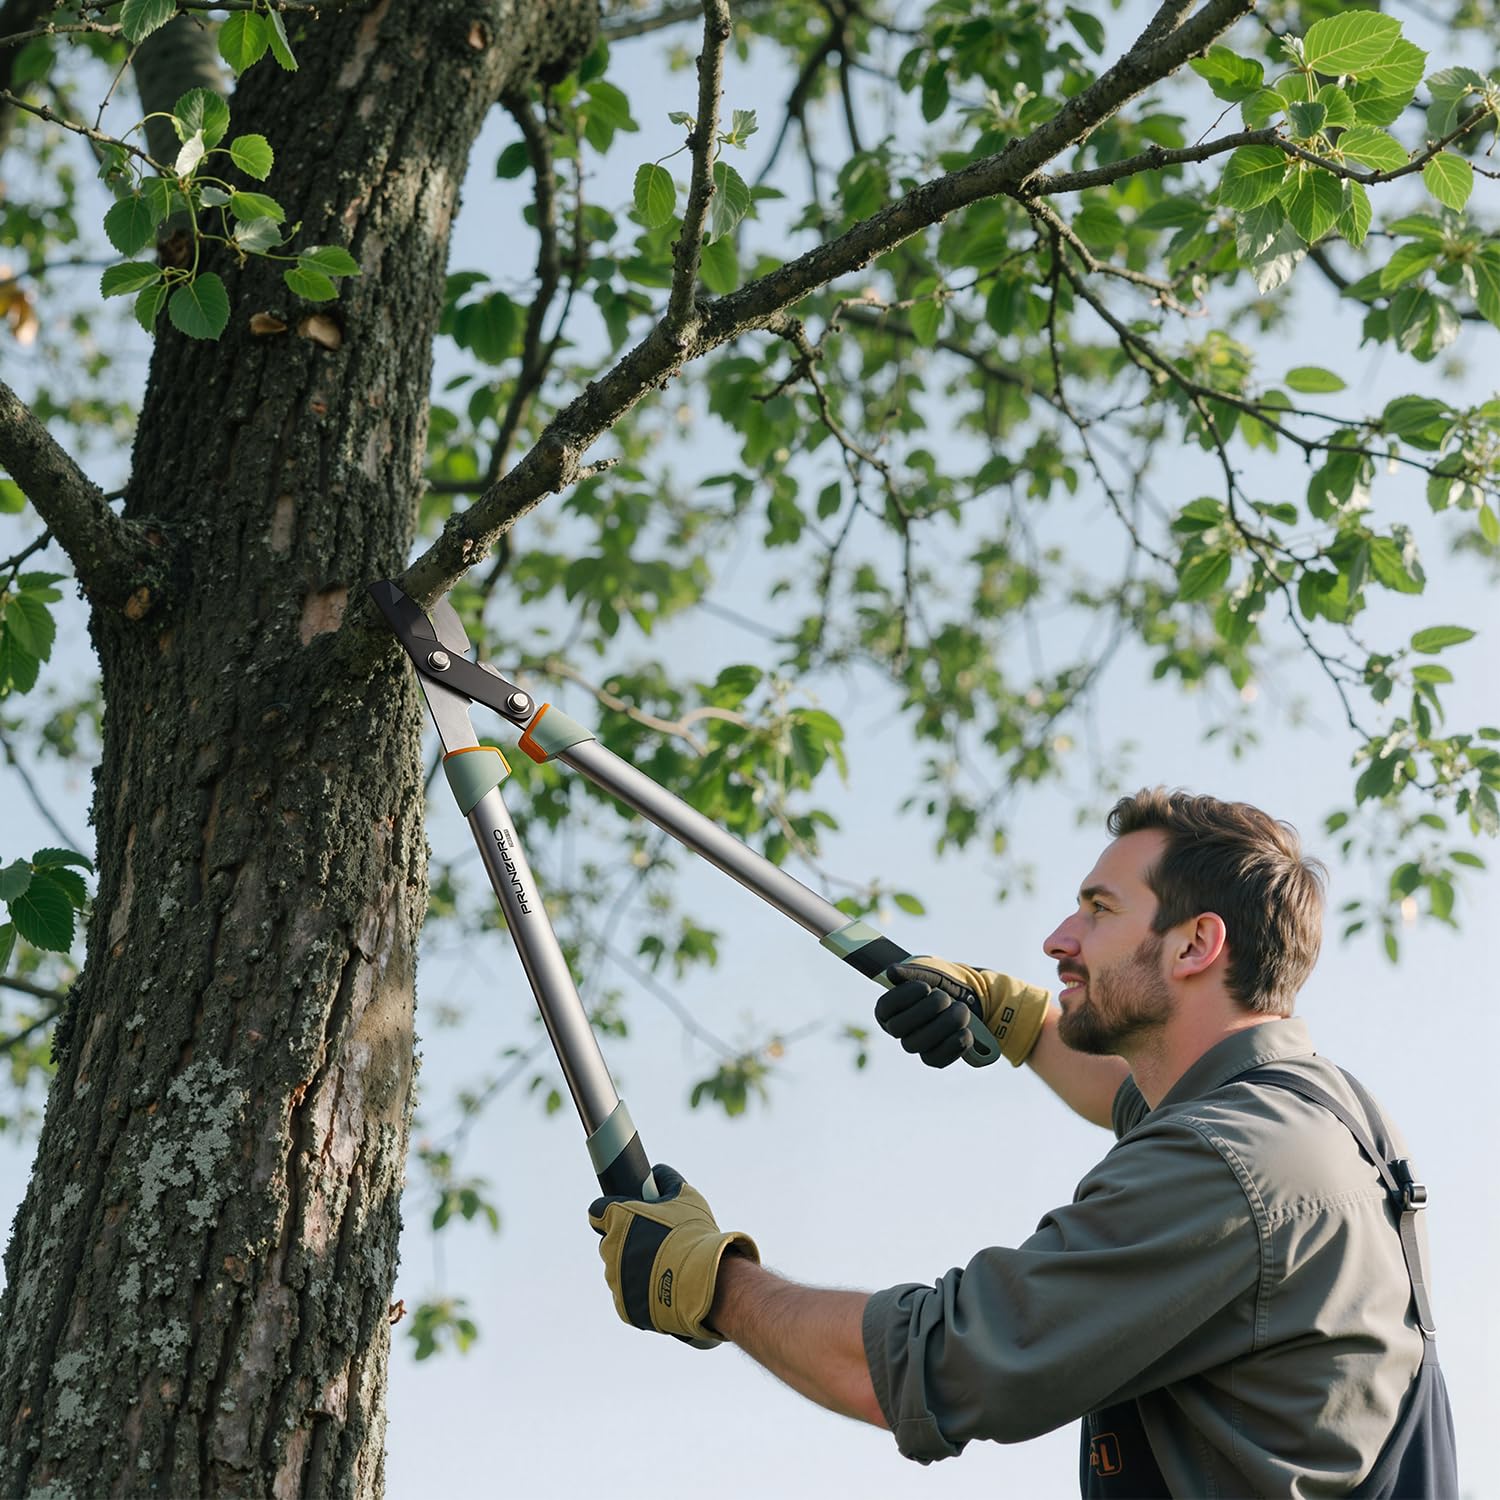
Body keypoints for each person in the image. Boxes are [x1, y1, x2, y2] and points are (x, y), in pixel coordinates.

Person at [588, 789, 1458, 1497]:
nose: (1057, 940)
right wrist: (1010, 1013)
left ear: (1197, 943)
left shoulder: (1234, 1166)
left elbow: (928, 1366)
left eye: (1098, 909)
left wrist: (712, 1283)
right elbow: (1130, 1092)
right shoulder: (1305, 1113)